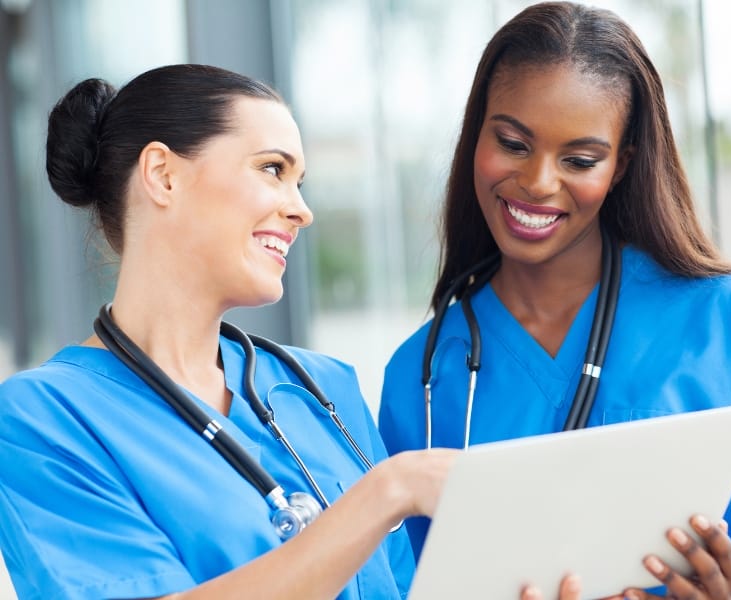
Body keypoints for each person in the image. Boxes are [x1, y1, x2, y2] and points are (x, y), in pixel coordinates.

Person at [379, 3, 731, 599]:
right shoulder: (419, 377)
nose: (538, 182)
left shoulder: (728, 319)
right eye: (512, 142)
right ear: (476, 133)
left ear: (621, 165)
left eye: (579, 160)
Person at [0, 63, 469, 600]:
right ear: (163, 175)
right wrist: (388, 492)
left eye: (300, 182)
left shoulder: (321, 387)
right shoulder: (45, 417)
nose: (302, 211)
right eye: (272, 169)